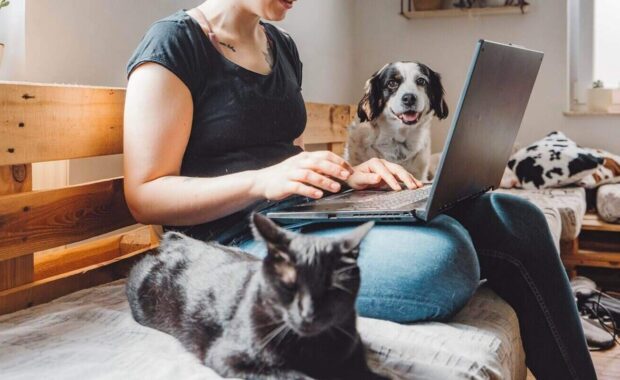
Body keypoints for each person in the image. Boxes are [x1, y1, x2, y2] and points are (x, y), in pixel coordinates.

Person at [123, 1, 597, 378]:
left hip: (304, 212)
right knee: (443, 259)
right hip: (241, 240)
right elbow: (145, 195)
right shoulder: (175, 43)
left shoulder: (281, 46)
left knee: (514, 216)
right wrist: (261, 181)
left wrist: (344, 176)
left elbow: (278, 151)